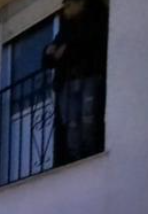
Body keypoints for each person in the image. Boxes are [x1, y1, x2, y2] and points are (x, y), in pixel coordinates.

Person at [44, 0, 109, 164]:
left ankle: (90, 156)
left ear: (80, 3)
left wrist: (63, 50)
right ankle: (76, 159)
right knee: (72, 124)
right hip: (68, 83)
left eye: (67, 5)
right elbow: (48, 59)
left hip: (90, 77)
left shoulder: (96, 17)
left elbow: (87, 44)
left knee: (88, 118)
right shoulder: (65, 28)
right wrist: (51, 51)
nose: (64, 9)